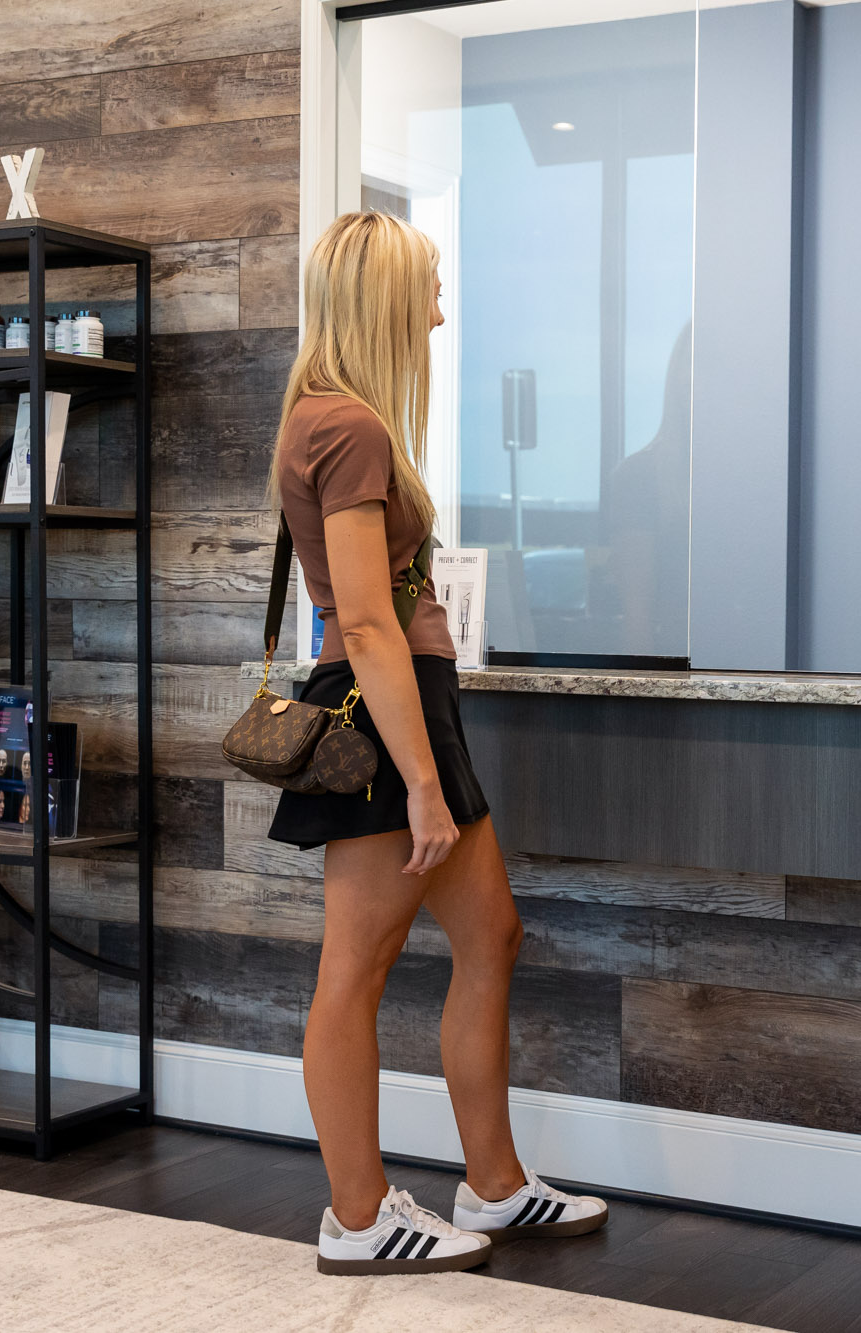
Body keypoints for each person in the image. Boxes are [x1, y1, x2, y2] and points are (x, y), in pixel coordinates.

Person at [265, 211, 606, 1278]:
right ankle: (357, 1216)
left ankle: (494, 1186)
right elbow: (365, 621)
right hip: (384, 715)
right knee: (354, 972)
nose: (441, 309)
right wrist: (419, 781)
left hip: (413, 704)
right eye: (429, 288)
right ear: (382, 302)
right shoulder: (348, 426)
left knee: (491, 933)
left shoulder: (338, 418)